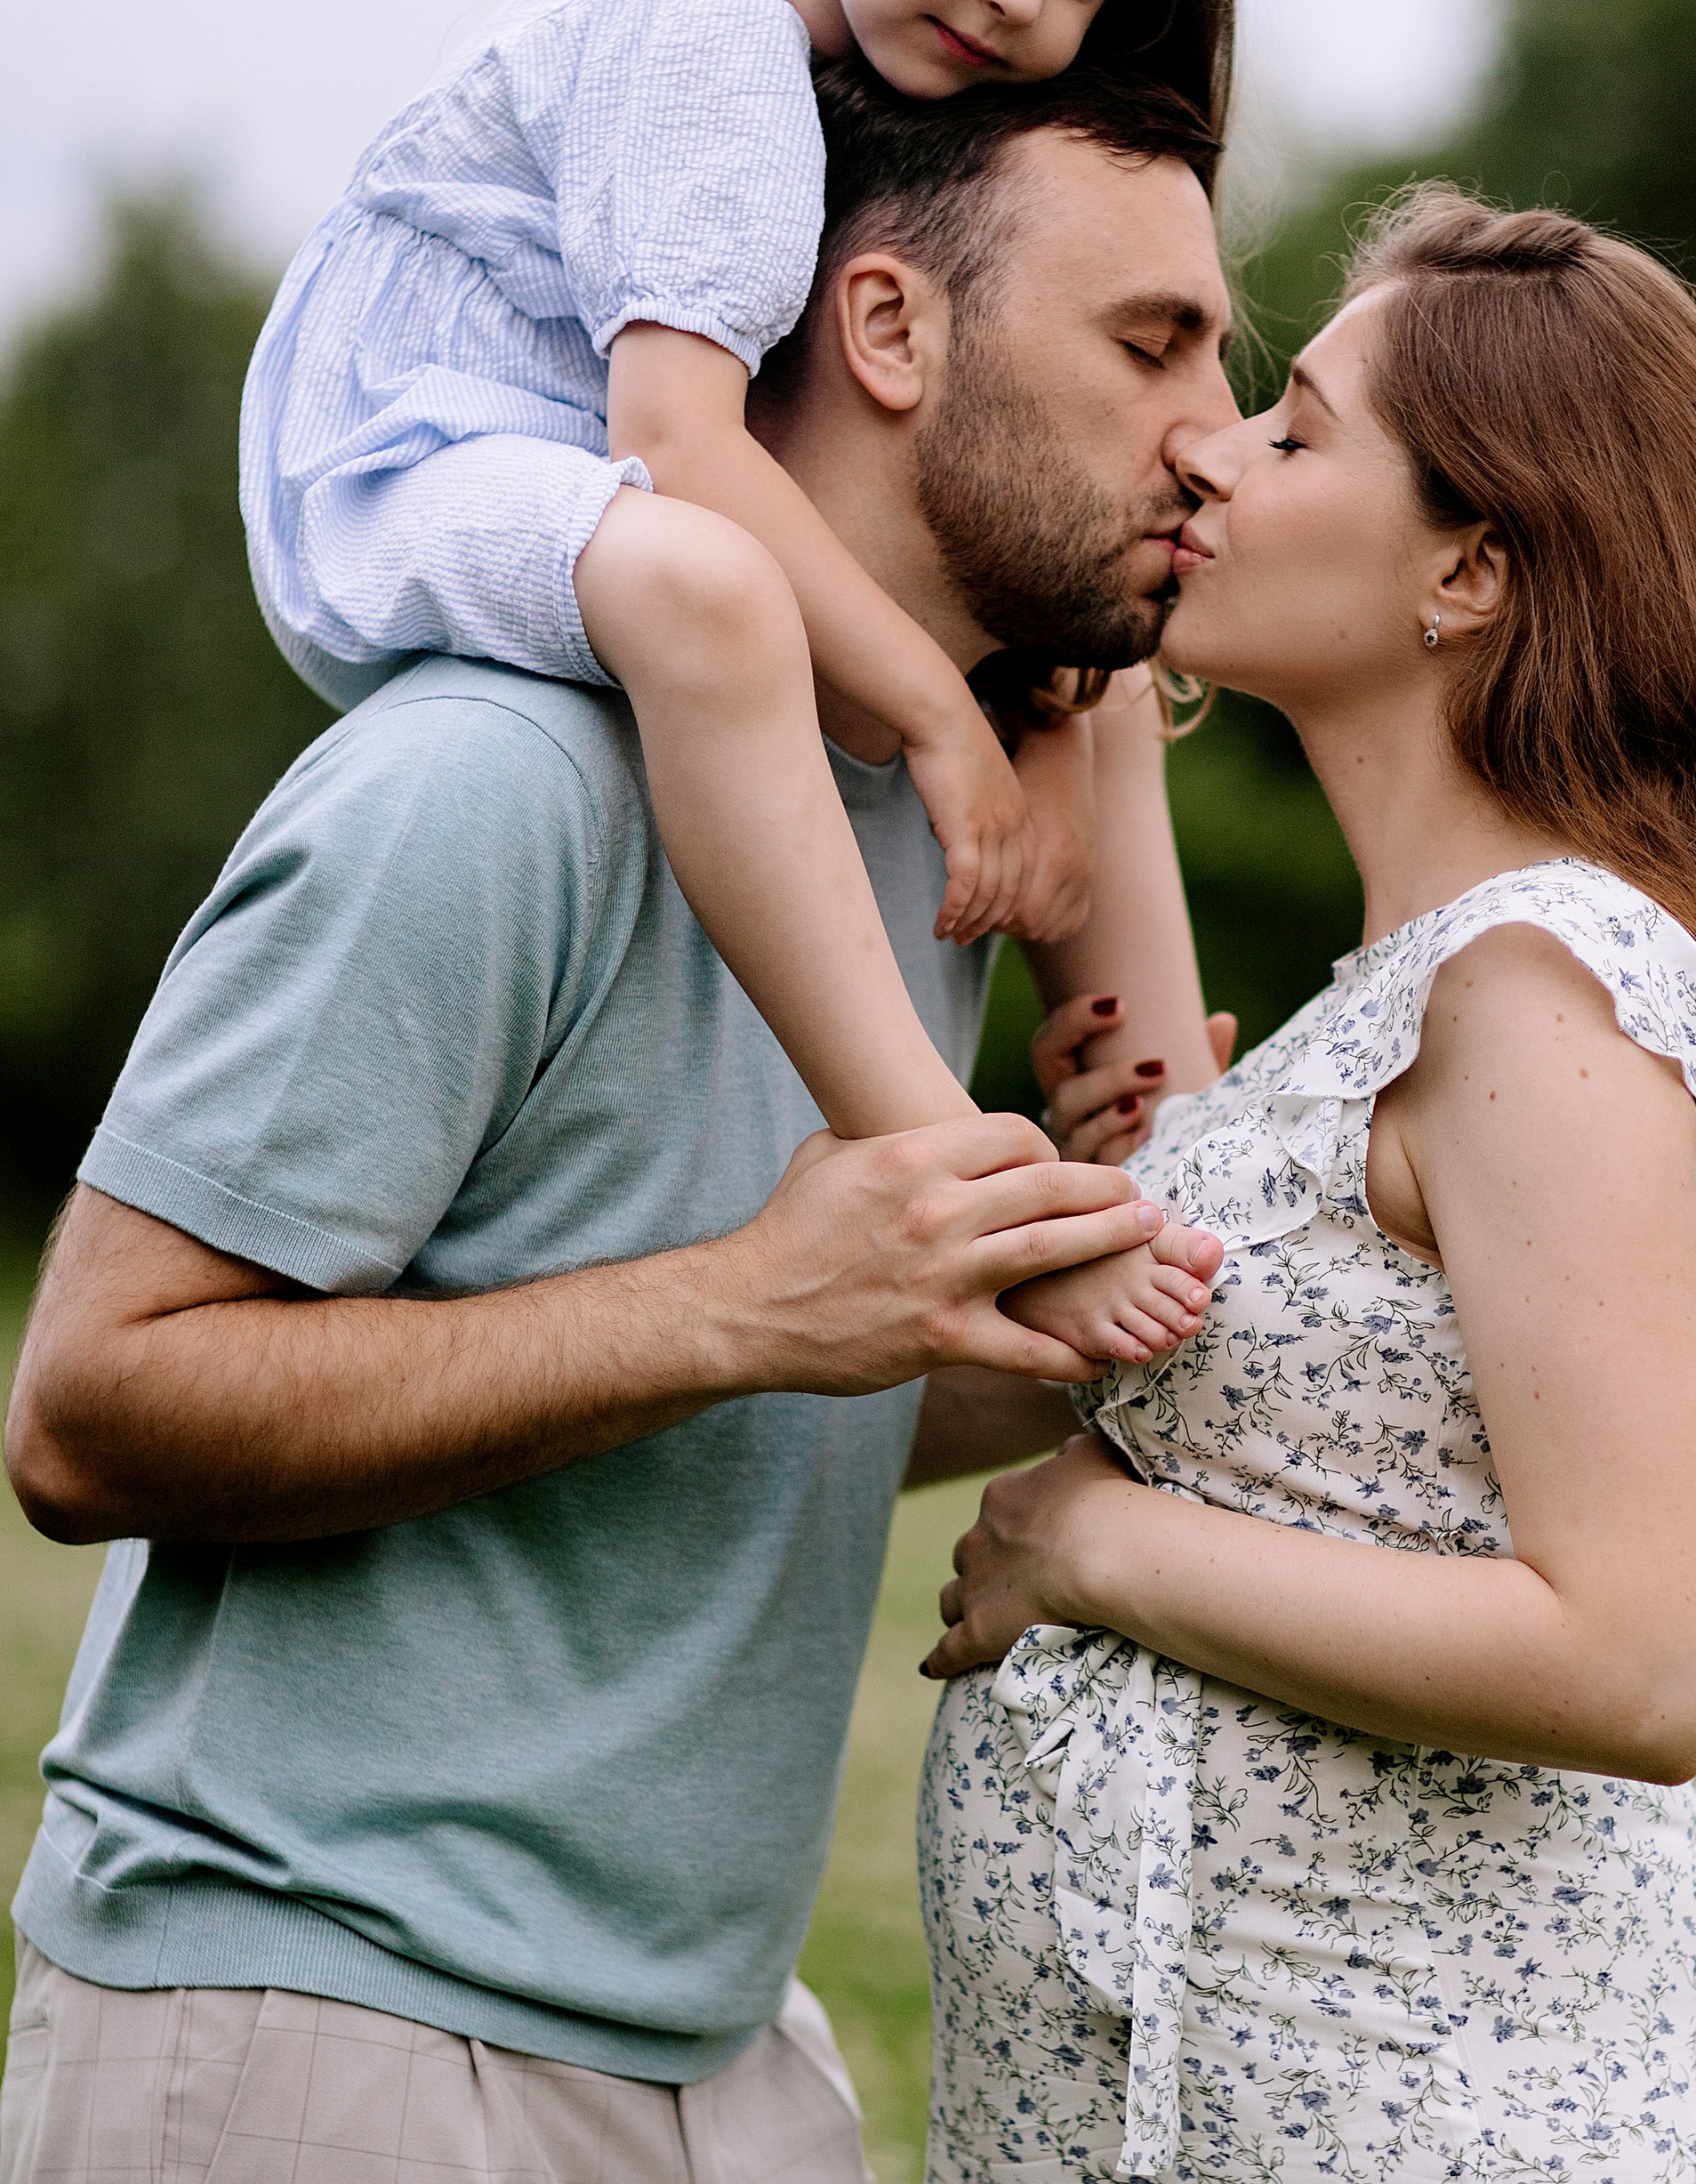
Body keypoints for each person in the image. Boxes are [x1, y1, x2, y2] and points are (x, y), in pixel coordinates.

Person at [0, 64, 1236, 2184]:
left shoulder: (924, 838)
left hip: (725, 2065)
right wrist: (740, 1303)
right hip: (325, 2047)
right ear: (885, 330)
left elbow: (793, 1366)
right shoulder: (484, 776)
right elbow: (89, 1408)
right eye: (1154, 345)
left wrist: (1058, 1315)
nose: (1215, 433)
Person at [918, 190, 1696, 2184]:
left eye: (1292, 432)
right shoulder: (1404, 988)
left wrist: (1093, 1544)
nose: (1214, 449)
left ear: (1470, 566)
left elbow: (1643, 1652)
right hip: (1267, 2167)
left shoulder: (1539, 989)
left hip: (1448, 2176)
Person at [241, 0, 1234, 1365]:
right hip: (399, 461)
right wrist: (947, 717)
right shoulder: (709, 39)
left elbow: (826, 1414)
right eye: (1147, 345)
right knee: (711, 592)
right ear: (883, 324)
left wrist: (1043, 724)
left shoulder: (858, 74)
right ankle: (952, 1170)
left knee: (1071, 688)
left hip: (565, 474)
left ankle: (1136, 1186)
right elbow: (675, 445)